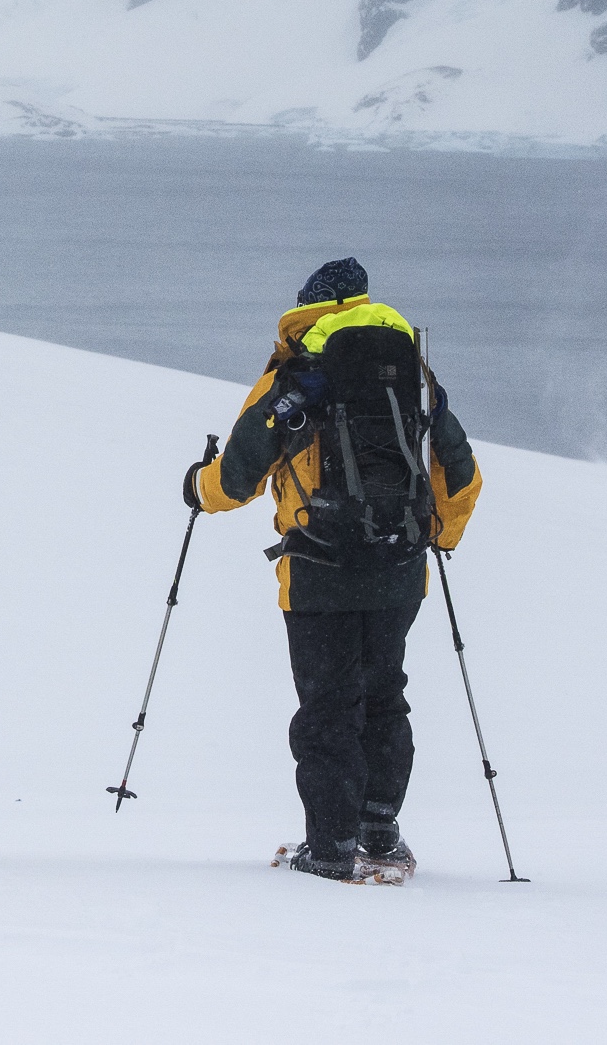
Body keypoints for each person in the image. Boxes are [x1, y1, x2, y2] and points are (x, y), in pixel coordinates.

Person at [182, 257, 481, 883]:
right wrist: (438, 537)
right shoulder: (412, 373)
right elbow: (461, 472)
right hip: (399, 567)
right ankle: (379, 830)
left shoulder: (296, 371)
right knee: (384, 695)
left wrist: (197, 489)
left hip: (319, 569)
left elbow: (238, 475)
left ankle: (331, 848)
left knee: (328, 705)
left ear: (309, 305)